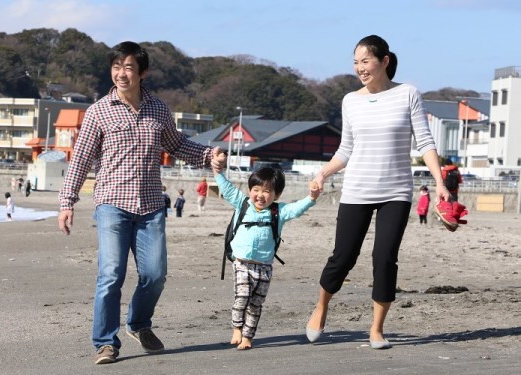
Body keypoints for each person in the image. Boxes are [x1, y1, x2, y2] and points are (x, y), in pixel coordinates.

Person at [57, 41, 225, 365]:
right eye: (116, 67)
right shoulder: (98, 112)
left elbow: (177, 145)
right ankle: (105, 342)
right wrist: (67, 202)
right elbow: (80, 160)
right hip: (111, 204)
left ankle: (138, 323)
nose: (121, 74)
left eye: (129, 68)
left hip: (150, 207)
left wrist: (208, 155)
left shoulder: (159, 109)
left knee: (155, 274)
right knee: (111, 274)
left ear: (142, 72)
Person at [305, 35, 450, 350]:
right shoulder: (350, 100)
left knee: (384, 258)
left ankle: (376, 329)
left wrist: (439, 182)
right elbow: (346, 149)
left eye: (365, 61)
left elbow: (424, 141)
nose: (360, 68)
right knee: (343, 257)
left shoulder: (408, 94)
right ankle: (321, 305)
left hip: (396, 190)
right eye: (356, 62)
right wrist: (322, 173)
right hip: (357, 188)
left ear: (384, 61)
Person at [214, 165, 320, 350]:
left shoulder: (279, 212)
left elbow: (296, 209)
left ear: (277, 195)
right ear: (250, 190)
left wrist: (312, 197)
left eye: (266, 191)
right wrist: (217, 172)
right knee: (242, 296)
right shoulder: (243, 203)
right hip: (241, 263)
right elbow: (227, 189)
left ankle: (248, 337)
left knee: (256, 304)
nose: (260, 195)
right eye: (256, 190)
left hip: (264, 266)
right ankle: (237, 328)